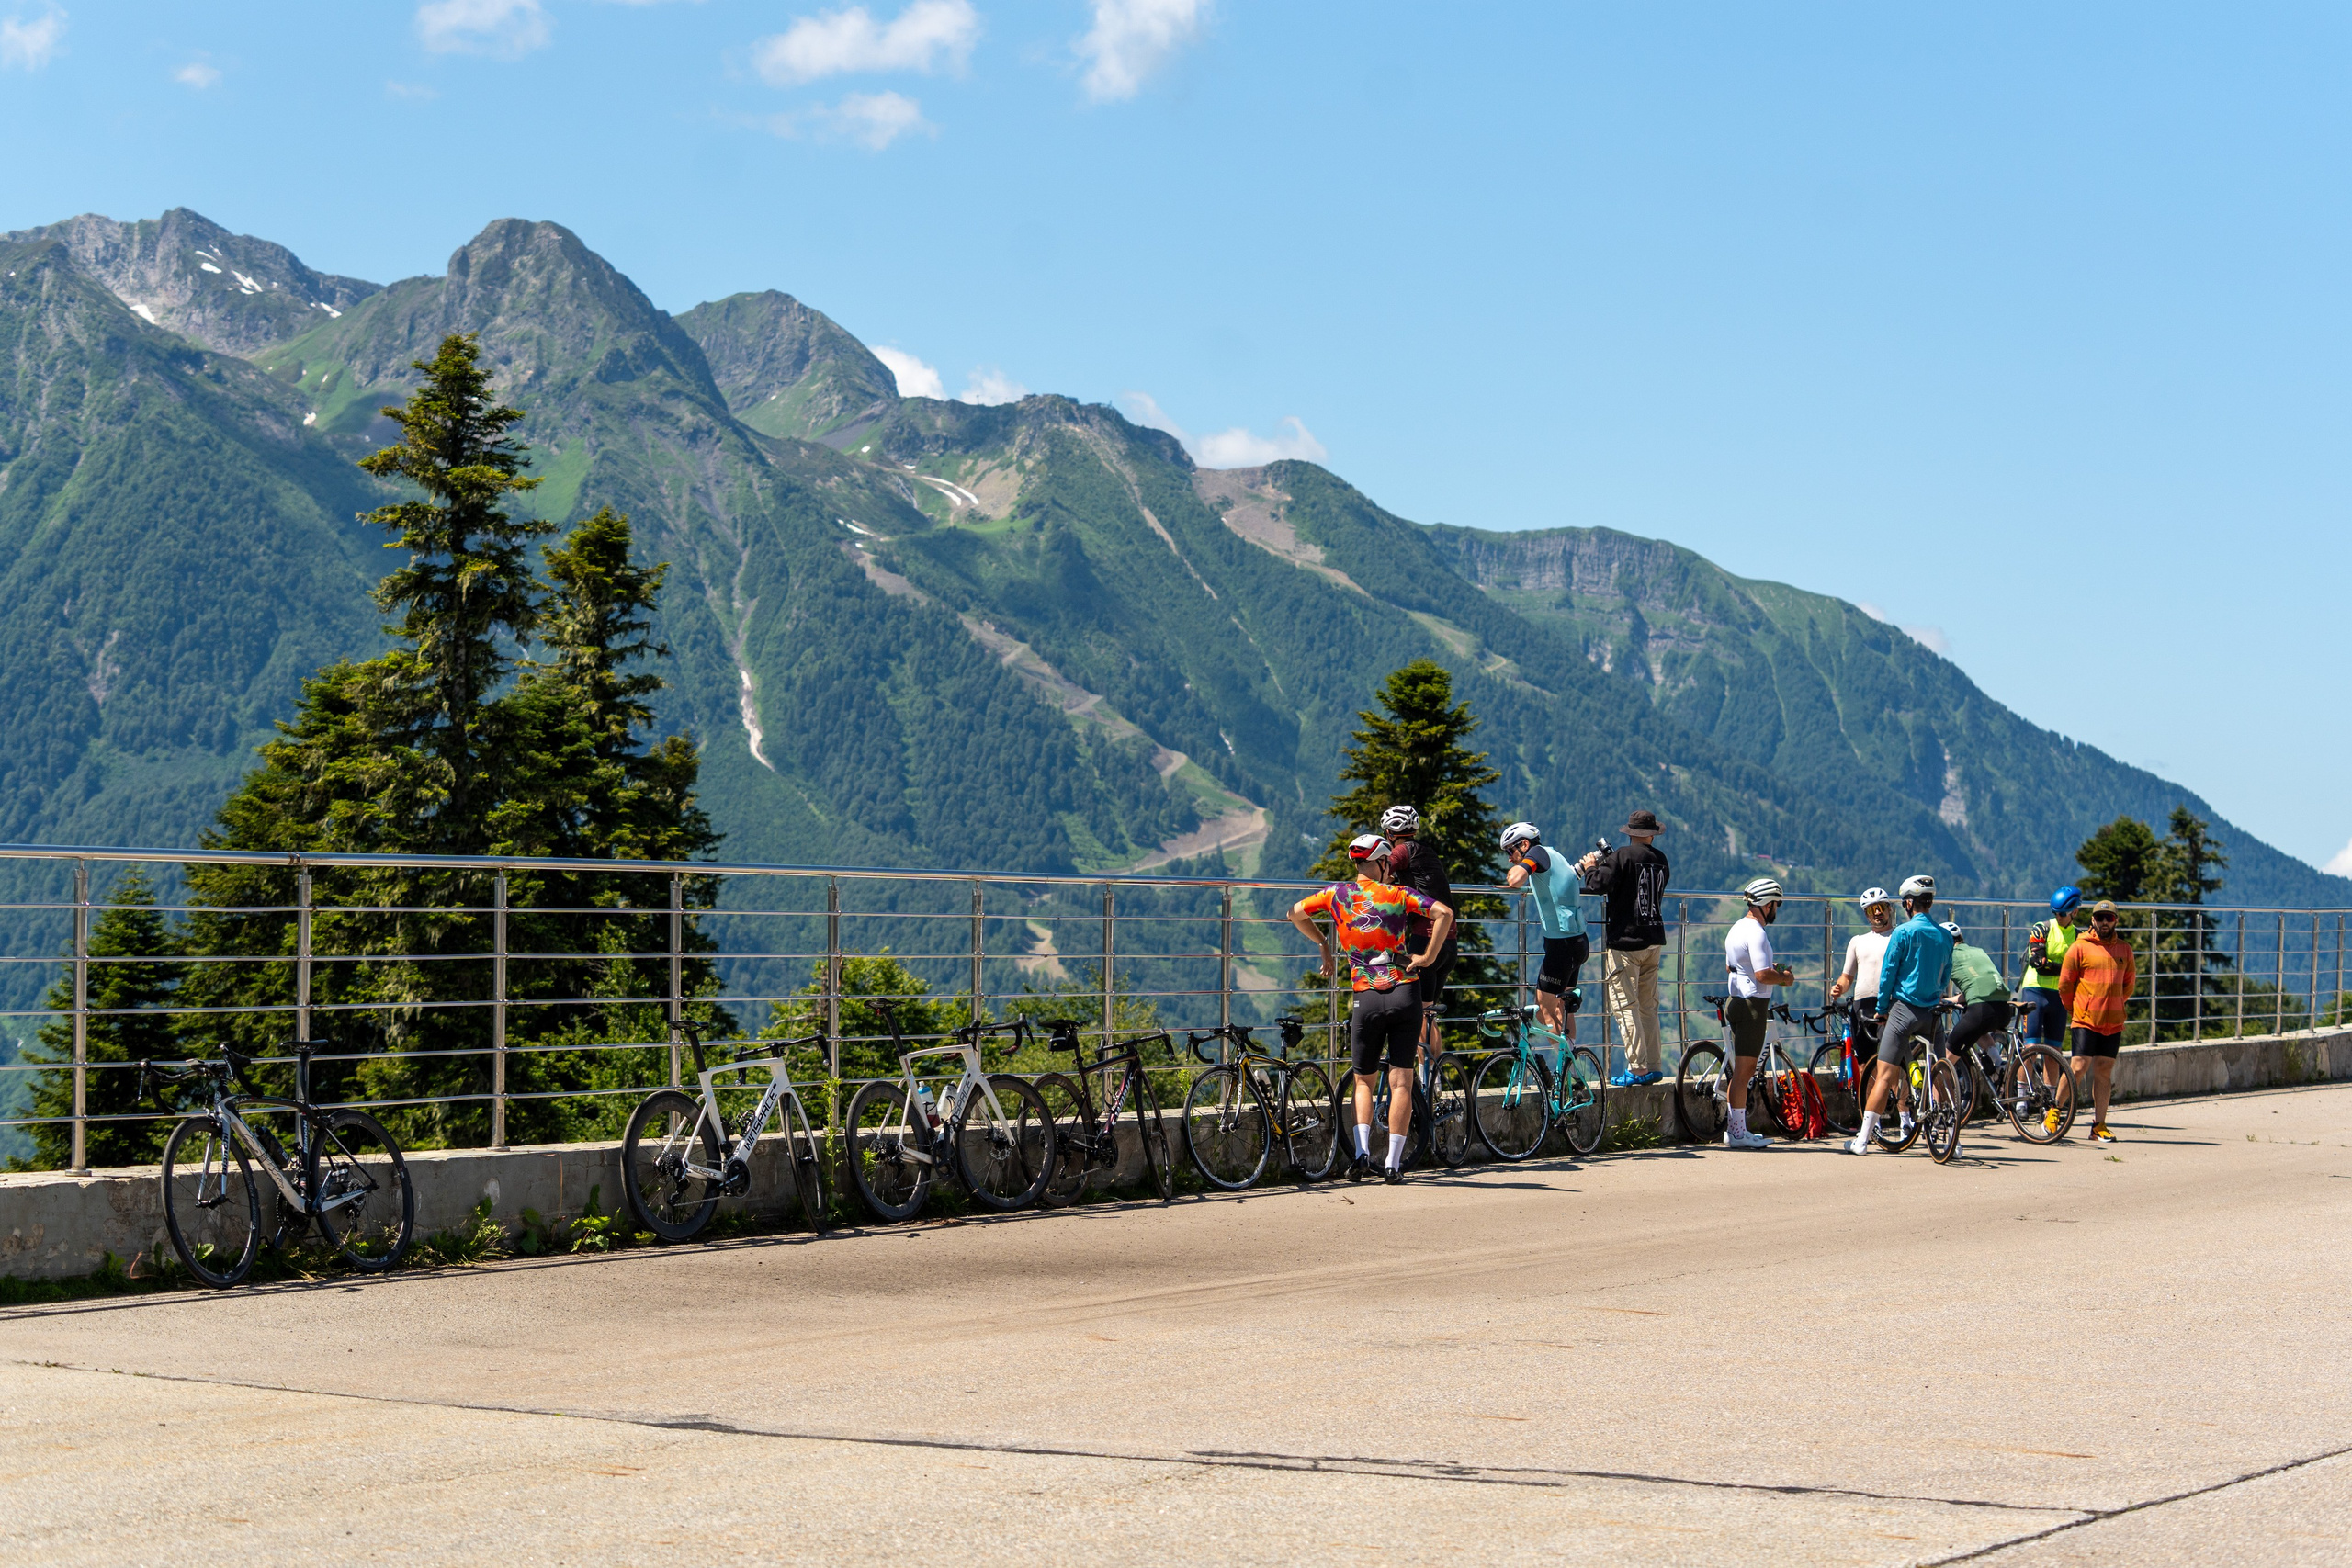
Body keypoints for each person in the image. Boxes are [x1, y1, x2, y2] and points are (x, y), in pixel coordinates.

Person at [1289, 833, 1456, 1185]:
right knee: (1401, 1082)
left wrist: (1323, 944)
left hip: (1364, 996)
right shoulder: (1398, 894)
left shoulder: (1338, 894)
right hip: (1403, 992)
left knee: (1363, 1081)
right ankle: (1393, 1164)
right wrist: (1426, 957)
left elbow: (1295, 913)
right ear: (1383, 863)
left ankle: (1363, 1154)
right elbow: (1443, 913)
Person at [1847, 874, 1952, 1156]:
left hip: (1903, 1010)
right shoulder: (1944, 935)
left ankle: (1862, 1140)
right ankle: (1951, 1137)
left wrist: (1882, 1010)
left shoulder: (1903, 933)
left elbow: (1888, 975)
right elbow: (1946, 975)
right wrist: (1937, 994)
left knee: (1884, 1074)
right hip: (1933, 1013)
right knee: (1938, 1072)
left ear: (1907, 903)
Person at [1577, 809, 1670, 1087]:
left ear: (1630, 833)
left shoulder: (1621, 856)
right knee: (1647, 1007)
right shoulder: (1661, 860)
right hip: (1653, 939)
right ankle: (1653, 1065)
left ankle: (1637, 1068)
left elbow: (1597, 884)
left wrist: (1593, 865)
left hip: (1626, 942)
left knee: (1625, 1005)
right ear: (1652, 834)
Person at [1722, 877, 1796, 1149]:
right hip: (1752, 1004)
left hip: (1737, 1001)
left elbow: (1732, 966)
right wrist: (1785, 977)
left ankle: (1735, 1130)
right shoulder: (1757, 933)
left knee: (1740, 1072)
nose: (1776, 909)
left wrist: (1769, 969)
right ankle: (1738, 1133)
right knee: (1744, 1072)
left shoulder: (1736, 928)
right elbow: (1762, 974)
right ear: (1767, 904)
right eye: (1776, 904)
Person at [1380, 805, 1456, 1063]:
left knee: (1419, 1015)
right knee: (1429, 1013)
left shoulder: (1401, 850)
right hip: (1449, 941)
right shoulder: (1427, 851)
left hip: (1425, 939)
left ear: (1390, 834)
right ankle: (1436, 1076)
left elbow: (1379, 873)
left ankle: (1425, 1082)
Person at [2058, 898, 2136, 1143]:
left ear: (2116, 921)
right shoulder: (2079, 948)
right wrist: (2077, 1009)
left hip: (2113, 1021)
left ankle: (2098, 1126)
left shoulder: (2125, 950)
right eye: (2100, 918)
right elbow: (2065, 985)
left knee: (2104, 1071)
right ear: (2092, 920)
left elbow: (2129, 986)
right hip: (2085, 1018)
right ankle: (2053, 1112)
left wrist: (2113, 1004)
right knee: (2078, 1067)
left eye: (2109, 918)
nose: (2104, 922)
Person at [1500, 821, 1587, 1039]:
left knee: (1544, 1010)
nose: (1509, 858)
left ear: (1524, 844)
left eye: (1511, 851)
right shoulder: (1554, 854)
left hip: (1561, 947)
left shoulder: (1536, 854)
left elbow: (1515, 880)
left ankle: (1560, 1069)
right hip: (1577, 942)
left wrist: (1518, 873)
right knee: (1563, 1009)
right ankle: (1571, 1069)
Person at [2018, 886, 2086, 1134]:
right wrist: (2068, 969)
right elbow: (2038, 962)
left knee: (2054, 1052)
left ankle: (2049, 1104)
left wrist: (2059, 968)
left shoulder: (2080, 937)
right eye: (2056, 913)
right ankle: (2021, 1097)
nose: (2059, 917)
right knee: (2031, 1048)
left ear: (2074, 912)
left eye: (2063, 914)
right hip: (2035, 991)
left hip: (2059, 996)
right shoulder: (2041, 928)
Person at [1941, 919, 2014, 1064]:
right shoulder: (1978, 951)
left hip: (1981, 1011)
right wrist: (1951, 1000)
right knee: (1977, 1029)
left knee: (1944, 1062)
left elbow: (1934, 988)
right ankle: (1997, 1062)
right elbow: (1978, 985)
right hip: (2004, 1009)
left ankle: (1938, 1085)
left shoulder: (1947, 956)